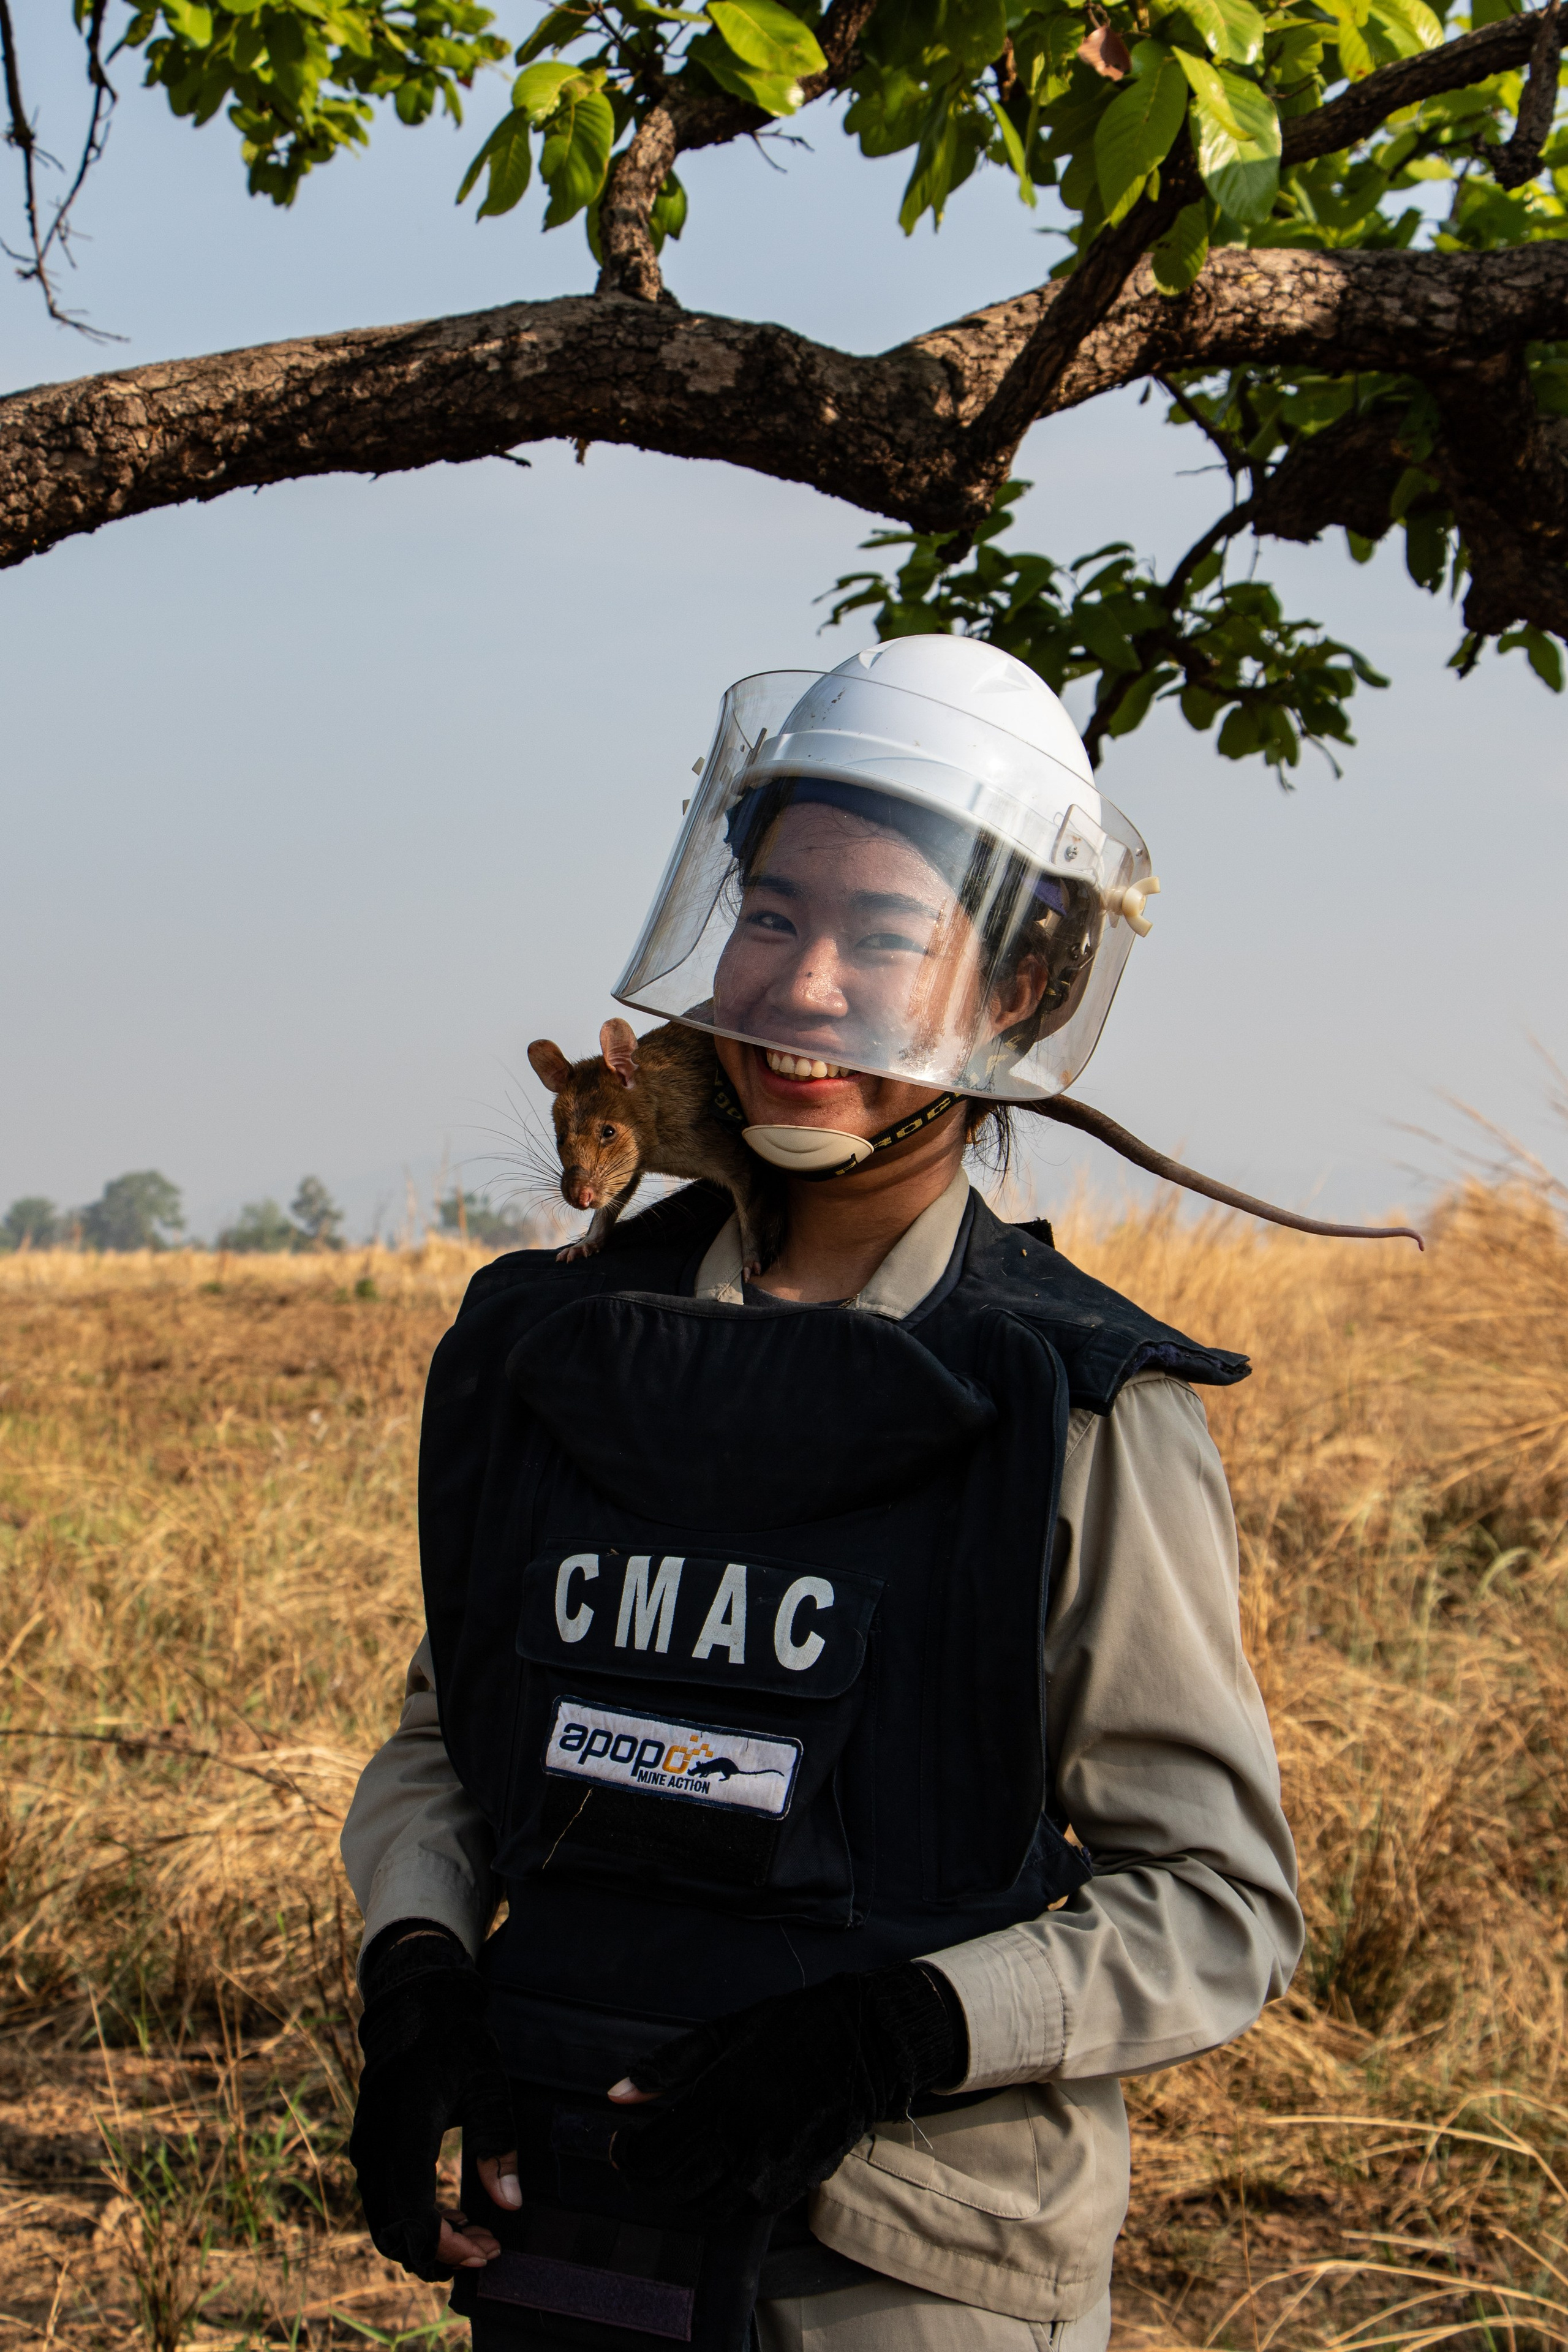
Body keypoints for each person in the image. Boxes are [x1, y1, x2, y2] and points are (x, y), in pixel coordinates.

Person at [341, 637, 1303, 2352]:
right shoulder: (570, 1349)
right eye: (773, 917)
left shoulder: (1070, 1405)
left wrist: (890, 2037)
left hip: (904, 2268)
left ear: (1015, 989)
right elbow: (451, 1740)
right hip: (564, 2216)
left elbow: (1218, 1905)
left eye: (886, 938)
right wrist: (417, 1966)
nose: (802, 992)